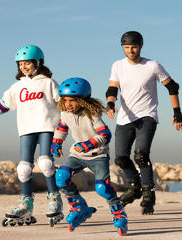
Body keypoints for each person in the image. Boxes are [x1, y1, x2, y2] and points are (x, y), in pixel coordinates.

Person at [0, 45, 63, 227]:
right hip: (26, 129)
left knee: (45, 163)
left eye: (27, 63)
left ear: (38, 63)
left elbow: (64, 103)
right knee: (23, 168)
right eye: (20, 64)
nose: (23, 67)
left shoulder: (49, 82)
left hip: (47, 127)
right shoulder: (17, 86)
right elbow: (1, 106)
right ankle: (26, 204)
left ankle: (54, 198)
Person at [105, 31, 182, 215]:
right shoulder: (118, 65)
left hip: (147, 116)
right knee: (121, 158)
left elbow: (172, 86)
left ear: (140, 47)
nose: (130, 50)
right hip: (124, 118)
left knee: (140, 155)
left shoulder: (152, 65)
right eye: (126, 47)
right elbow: (112, 87)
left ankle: (148, 193)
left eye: (133, 47)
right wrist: (110, 103)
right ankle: (134, 187)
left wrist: (177, 113)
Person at [51, 77, 128, 236]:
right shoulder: (65, 114)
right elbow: (62, 128)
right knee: (61, 177)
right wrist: (56, 143)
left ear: (83, 100)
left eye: (72, 100)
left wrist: (88, 144)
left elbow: (106, 135)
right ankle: (78, 206)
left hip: (98, 155)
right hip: (77, 155)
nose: (68, 104)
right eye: (65, 100)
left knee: (102, 188)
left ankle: (118, 212)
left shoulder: (92, 115)